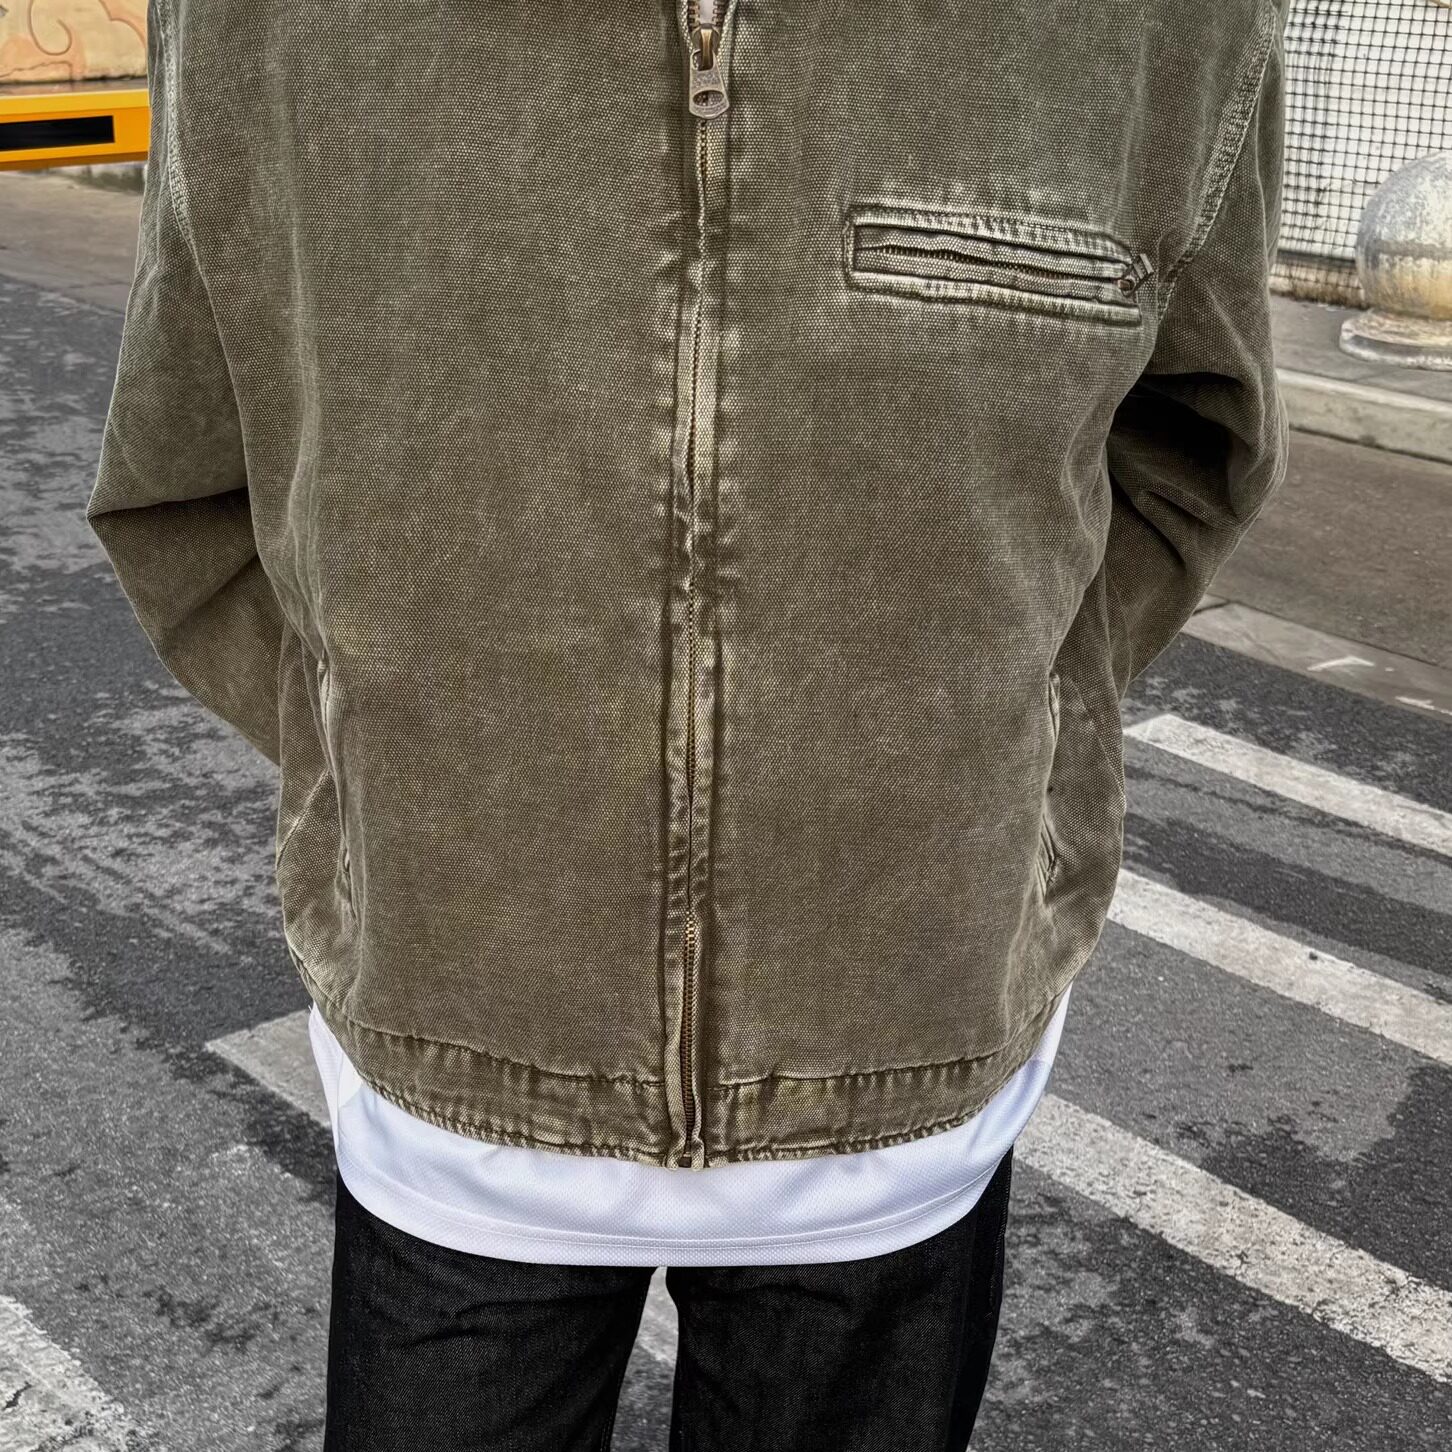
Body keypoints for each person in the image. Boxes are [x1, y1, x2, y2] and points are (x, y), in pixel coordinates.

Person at [85, 1, 1291, 1447]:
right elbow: (189, 481)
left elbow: (1182, 451)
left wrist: (971, 729)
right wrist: (405, 759)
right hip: (453, 1073)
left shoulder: (1158, 20)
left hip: (907, 1080)